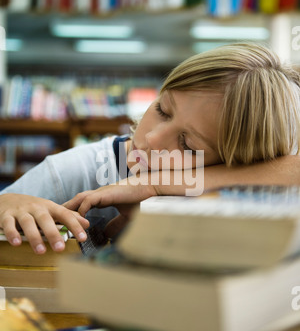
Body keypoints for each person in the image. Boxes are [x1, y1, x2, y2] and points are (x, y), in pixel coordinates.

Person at [1, 42, 300, 254]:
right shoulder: (74, 171)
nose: (154, 138)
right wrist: (6, 203)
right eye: (162, 110)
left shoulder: (241, 201)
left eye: (186, 143)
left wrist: (157, 185)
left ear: (238, 163)